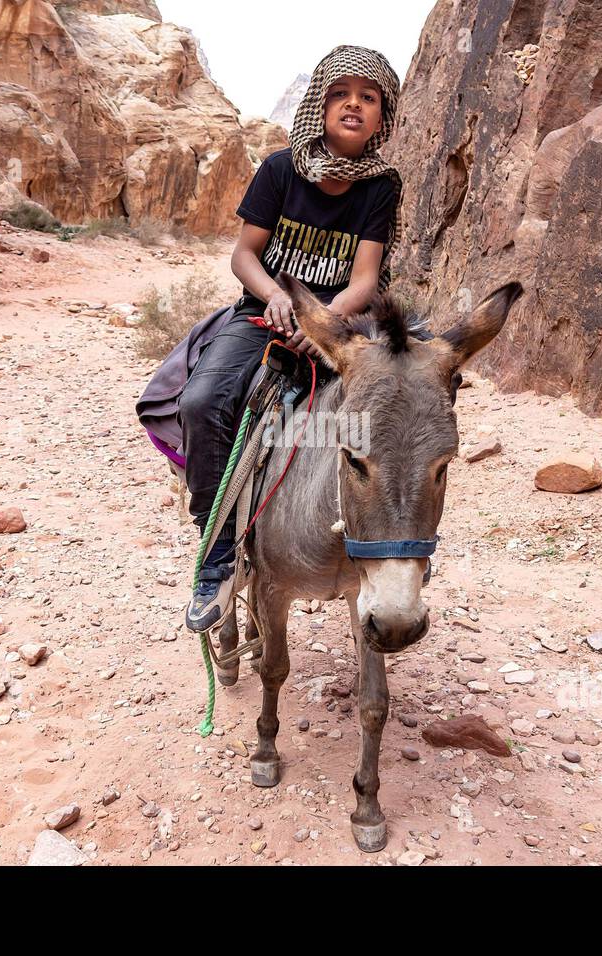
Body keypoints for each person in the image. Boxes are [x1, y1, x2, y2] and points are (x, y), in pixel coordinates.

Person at [179, 45, 404, 632]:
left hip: (338, 323)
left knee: (402, 411)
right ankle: (217, 556)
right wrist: (278, 297)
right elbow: (245, 255)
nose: (353, 104)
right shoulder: (281, 169)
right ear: (320, 105)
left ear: (383, 116)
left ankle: (396, 553)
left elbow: (366, 280)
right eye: (340, 94)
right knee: (202, 403)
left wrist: (324, 323)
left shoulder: (381, 187)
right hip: (265, 316)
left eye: (369, 97)